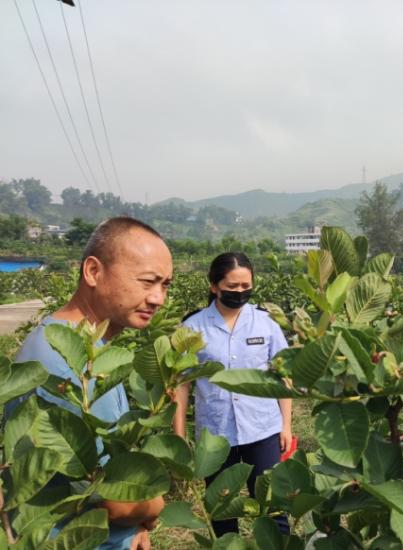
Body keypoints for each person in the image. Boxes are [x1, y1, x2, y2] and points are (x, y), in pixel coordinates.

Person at [6, 217, 172, 549]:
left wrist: (135, 527)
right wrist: (153, 506)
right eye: (147, 282)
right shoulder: (68, 366)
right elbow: (113, 501)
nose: (158, 298)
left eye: (165, 285)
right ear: (93, 272)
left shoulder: (80, 349)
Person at [173, 252, 292, 536]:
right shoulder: (193, 327)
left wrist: (286, 425)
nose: (240, 292)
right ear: (214, 286)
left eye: (245, 286)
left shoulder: (266, 322)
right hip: (216, 433)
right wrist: (179, 435)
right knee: (220, 510)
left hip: (262, 427)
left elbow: (284, 375)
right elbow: (181, 384)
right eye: (232, 286)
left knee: (273, 507)